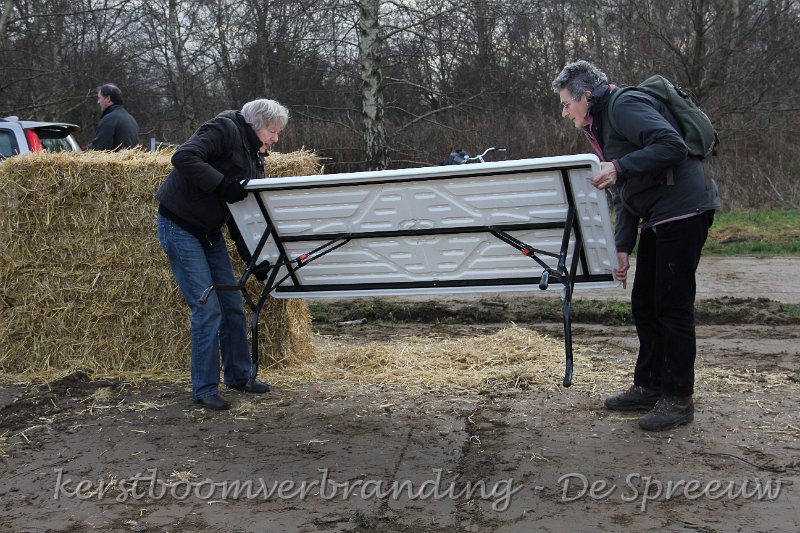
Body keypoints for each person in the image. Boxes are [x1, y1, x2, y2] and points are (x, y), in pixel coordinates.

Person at [551, 60, 721, 431]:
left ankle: (678, 399)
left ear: (587, 96)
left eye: (567, 104)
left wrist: (620, 165)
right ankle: (648, 385)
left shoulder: (623, 106)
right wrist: (623, 246)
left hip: (684, 208)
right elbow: (624, 191)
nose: (565, 113)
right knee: (645, 303)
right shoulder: (599, 126)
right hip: (657, 214)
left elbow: (672, 145)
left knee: (672, 306)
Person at [155, 98, 289, 410]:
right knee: (207, 308)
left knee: (232, 304)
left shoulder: (255, 156)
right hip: (180, 225)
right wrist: (221, 185)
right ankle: (204, 388)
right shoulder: (223, 129)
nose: (275, 139)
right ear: (256, 125)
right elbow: (183, 157)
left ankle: (240, 376)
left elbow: (242, 215)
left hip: (210, 231)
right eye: (272, 131)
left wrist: (255, 261)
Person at [89, 83, 139, 150]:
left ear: (108, 99)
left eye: (99, 98)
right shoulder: (131, 119)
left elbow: (98, 151)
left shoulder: (109, 120)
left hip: (114, 160)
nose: (98, 102)